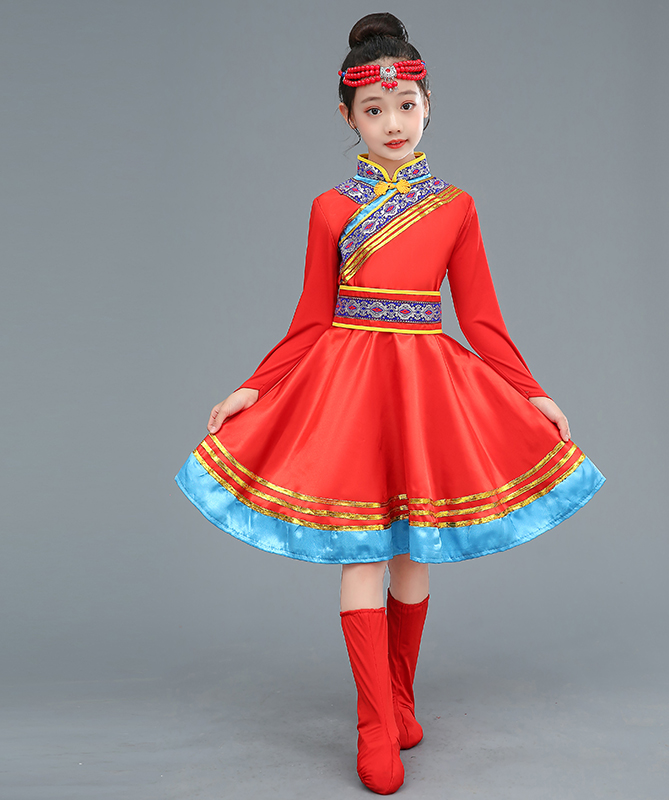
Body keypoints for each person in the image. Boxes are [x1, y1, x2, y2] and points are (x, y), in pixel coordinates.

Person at [175, 12, 605, 795]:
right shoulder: (329, 208)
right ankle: (374, 724)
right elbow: (310, 318)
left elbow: (481, 319)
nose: (393, 122)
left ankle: (402, 699)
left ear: (429, 106)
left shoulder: (457, 206)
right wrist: (254, 385)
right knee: (363, 552)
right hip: (348, 386)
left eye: (406, 105)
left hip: (423, 385)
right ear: (348, 118)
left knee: (414, 551)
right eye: (374, 110)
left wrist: (532, 392)